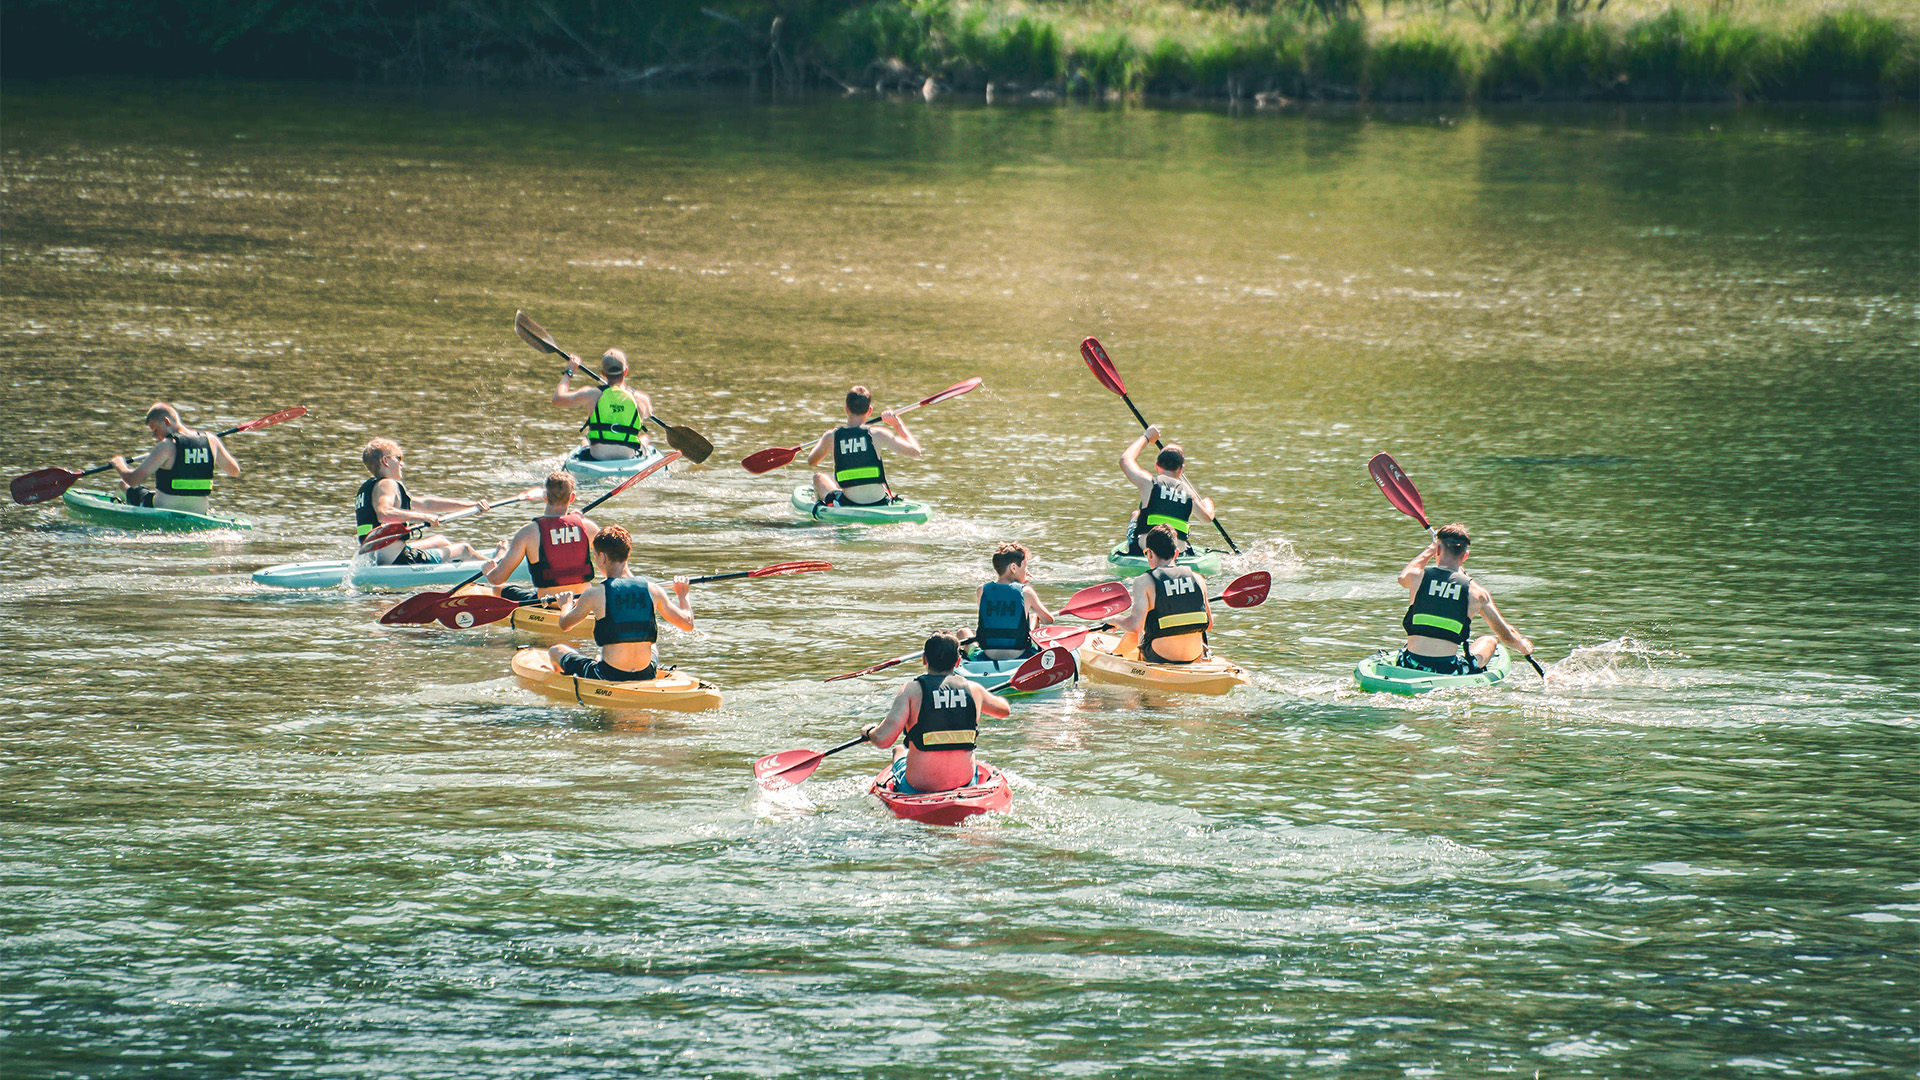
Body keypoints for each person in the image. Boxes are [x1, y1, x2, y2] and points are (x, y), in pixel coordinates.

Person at [861, 632, 1011, 795]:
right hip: (965, 785)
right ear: (958, 661)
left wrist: (869, 732)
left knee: (899, 750)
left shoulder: (911, 690)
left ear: (924, 659)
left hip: (918, 788)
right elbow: (1004, 711)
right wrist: (982, 696)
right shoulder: (974, 690)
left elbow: (883, 739)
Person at [548, 526, 693, 682]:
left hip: (608, 675)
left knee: (556, 650)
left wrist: (565, 604)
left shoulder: (594, 593)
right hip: (646, 673)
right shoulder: (654, 590)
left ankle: (564, 682)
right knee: (652, 647)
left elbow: (565, 624)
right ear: (627, 554)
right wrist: (683, 595)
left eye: (595, 556)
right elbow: (688, 624)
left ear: (602, 557)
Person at [1395, 523, 1533, 675]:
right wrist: (1523, 647)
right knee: (1489, 640)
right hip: (1446, 670)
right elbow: (1506, 636)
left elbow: (1403, 577)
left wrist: (1430, 549)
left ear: (1437, 551)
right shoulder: (1476, 593)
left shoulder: (1417, 577)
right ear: (1465, 556)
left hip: (1408, 664)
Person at [354, 438, 491, 566]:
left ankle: (449, 566)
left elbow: (427, 504)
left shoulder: (372, 488)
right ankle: (496, 566)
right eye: (398, 458)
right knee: (464, 549)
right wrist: (424, 517)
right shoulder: (387, 484)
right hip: (398, 559)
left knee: (440, 541)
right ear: (386, 461)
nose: (402, 463)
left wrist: (471, 505)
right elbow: (384, 513)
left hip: (374, 558)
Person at [484, 471, 599, 604]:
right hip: (582, 602)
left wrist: (488, 572)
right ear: (572, 497)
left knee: (498, 588)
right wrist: (577, 521)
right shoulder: (588, 527)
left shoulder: (528, 532)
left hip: (548, 603)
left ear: (545, 495)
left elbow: (498, 578)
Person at [110, 403, 240, 515]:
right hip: (199, 511)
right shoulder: (211, 440)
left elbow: (133, 480)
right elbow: (235, 471)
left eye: (155, 429)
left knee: (124, 484)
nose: (154, 435)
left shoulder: (166, 446)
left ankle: (120, 509)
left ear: (167, 422)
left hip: (163, 509)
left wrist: (120, 465)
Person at [805, 385, 921, 507]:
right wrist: (898, 425)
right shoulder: (878, 433)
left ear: (846, 409)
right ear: (869, 411)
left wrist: (824, 439)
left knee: (818, 477)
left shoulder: (831, 436)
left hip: (849, 502)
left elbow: (812, 461)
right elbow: (916, 451)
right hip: (880, 501)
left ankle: (823, 509)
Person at [1114, 525, 1212, 664]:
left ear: (1149, 553)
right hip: (1194, 656)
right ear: (1176, 553)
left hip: (1158, 657)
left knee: (1139, 620)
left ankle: (1114, 654)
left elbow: (1135, 626)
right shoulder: (1198, 579)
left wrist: (1115, 620)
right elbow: (1209, 625)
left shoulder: (1144, 581)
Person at [1118, 425, 1213, 557]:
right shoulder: (1189, 493)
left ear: (1156, 466)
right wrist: (1207, 503)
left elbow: (1125, 460)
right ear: (1181, 470)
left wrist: (1146, 436)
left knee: (1136, 514)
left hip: (1145, 550)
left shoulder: (1149, 483)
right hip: (1176, 553)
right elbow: (1207, 518)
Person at [554, 348, 653, 461]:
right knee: (644, 438)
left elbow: (557, 398)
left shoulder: (592, 394)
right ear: (625, 371)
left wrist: (569, 372)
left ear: (603, 373)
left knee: (585, 441)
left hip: (598, 456)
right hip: (627, 456)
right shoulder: (641, 399)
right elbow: (648, 413)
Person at [974, 542, 1056, 661]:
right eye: (1025, 566)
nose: (1027, 571)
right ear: (1013, 568)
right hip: (1020, 655)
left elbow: (996, 616)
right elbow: (1049, 620)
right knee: (1033, 617)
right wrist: (1034, 618)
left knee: (964, 632)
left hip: (987, 655)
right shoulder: (1026, 592)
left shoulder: (981, 590)